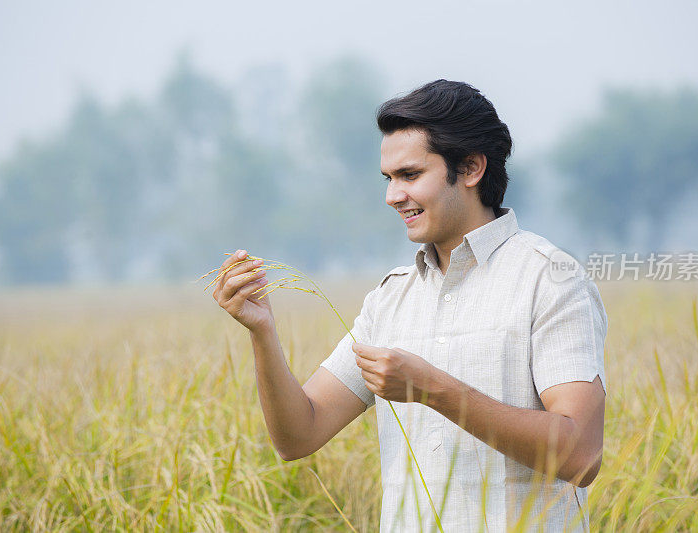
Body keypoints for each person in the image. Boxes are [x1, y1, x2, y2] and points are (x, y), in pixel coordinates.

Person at [211, 79, 607, 532]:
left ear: (472, 167)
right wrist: (262, 331)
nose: (392, 196)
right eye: (389, 178)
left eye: (410, 175)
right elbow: (299, 435)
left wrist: (432, 388)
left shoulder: (549, 278)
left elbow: (581, 455)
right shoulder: (391, 298)